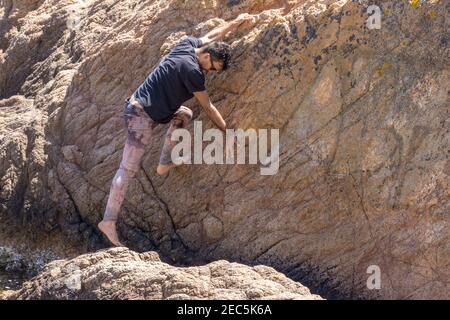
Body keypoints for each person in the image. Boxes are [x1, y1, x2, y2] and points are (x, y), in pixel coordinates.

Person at [98, 13, 254, 247]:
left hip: (154, 110)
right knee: (127, 169)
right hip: (140, 115)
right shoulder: (192, 71)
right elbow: (209, 107)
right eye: (213, 68)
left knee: (184, 114)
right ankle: (108, 222)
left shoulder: (189, 44)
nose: (210, 73)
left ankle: (164, 162)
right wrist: (228, 132)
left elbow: (213, 34)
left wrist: (237, 22)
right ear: (208, 57)